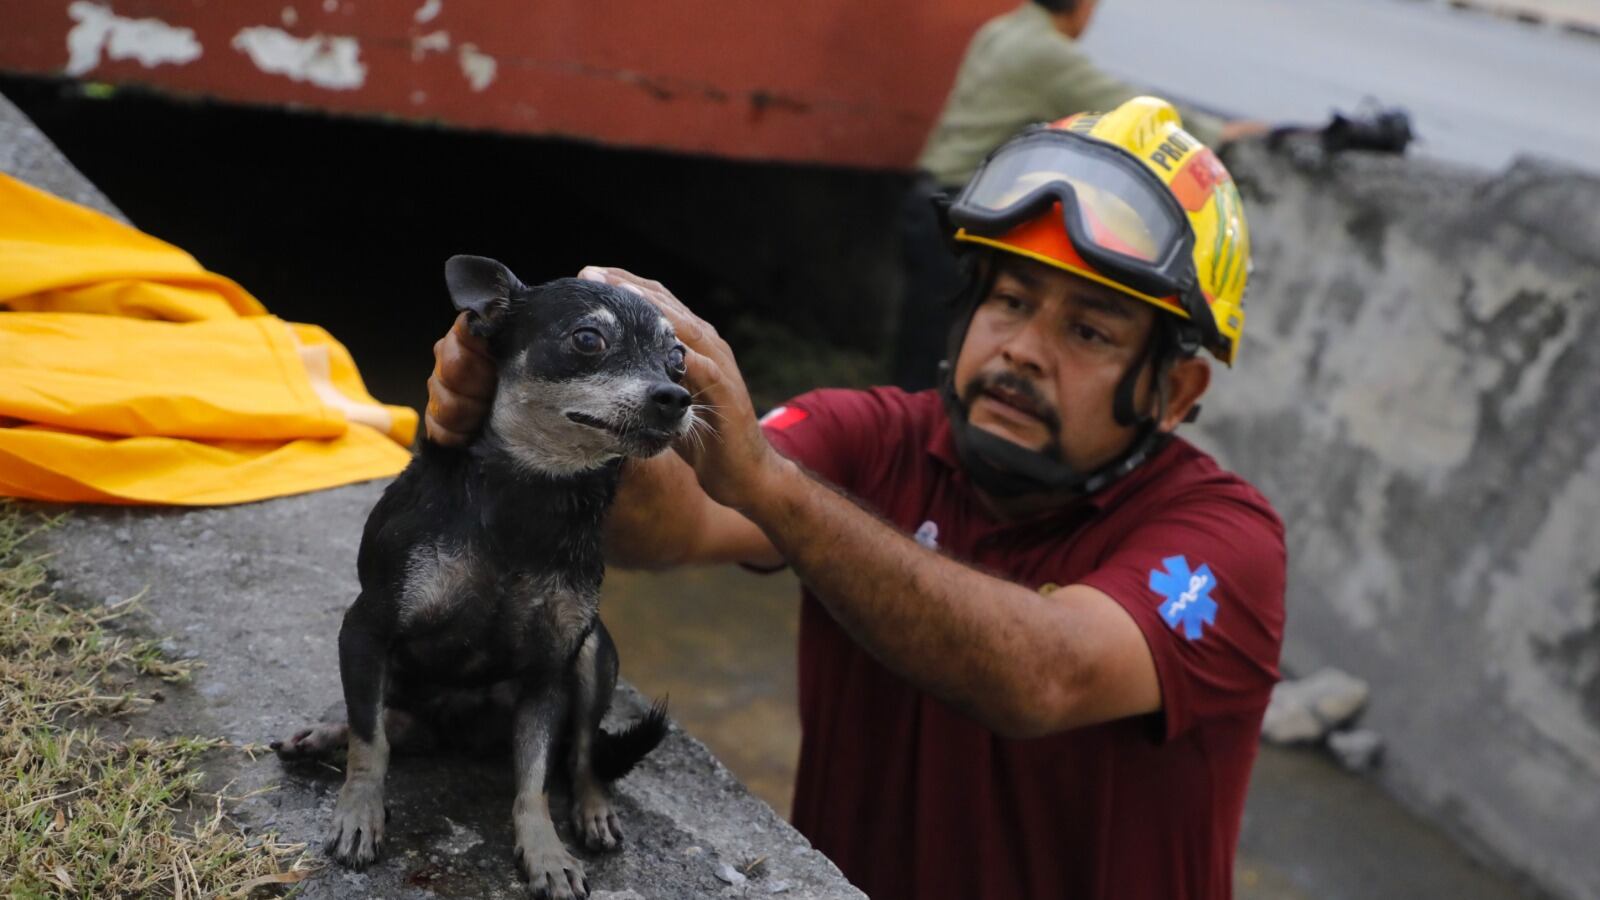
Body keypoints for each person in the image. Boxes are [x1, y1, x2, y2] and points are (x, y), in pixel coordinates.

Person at [427, 97, 1285, 900]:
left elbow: (1045, 678)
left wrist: (773, 486)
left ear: (1175, 392)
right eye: (1011, 300)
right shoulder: (874, 436)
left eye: (1089, 330)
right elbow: (670, 526)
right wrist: (567, 419)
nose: (1022, 349)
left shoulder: (1227, 541)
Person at [893, 0, 1266, 390]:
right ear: (1083, 7)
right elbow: (1131, 117)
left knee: (923, 342)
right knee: (943, 359)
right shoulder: (1046, 56)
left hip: (931, 199)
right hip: (964, 213)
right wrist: (1223, 133)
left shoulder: (1001, 30)